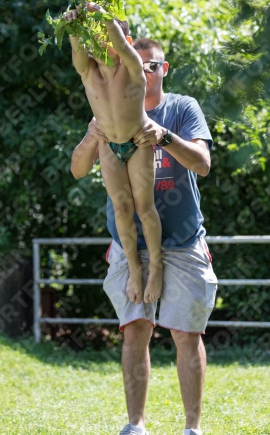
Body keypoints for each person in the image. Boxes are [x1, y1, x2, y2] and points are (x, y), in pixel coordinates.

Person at [71, 37, 218, 435]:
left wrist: (163, 136)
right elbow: (78, 169)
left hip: (183, 241)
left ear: (164, 69)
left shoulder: (182, 107)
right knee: (135, 330)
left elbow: (203, 164)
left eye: (154, 66)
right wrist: (92, 135)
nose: (148, 71)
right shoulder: (111, 107)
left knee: (187, 333)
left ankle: (192, 428)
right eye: (141, 64)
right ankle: (135, 426)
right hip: (128, 246)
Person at [64, 3, 163, 305]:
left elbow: (119, 43)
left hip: (138, 143)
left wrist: (106, 15)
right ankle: (135, 269)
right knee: (122, 209)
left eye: (104, 35)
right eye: (93, 38)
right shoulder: (88, 72)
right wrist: (74, 23)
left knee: (144, 209)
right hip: (109, 145)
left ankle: (156, 267)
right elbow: (78, 49)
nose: (98, 43)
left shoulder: (133, 66)